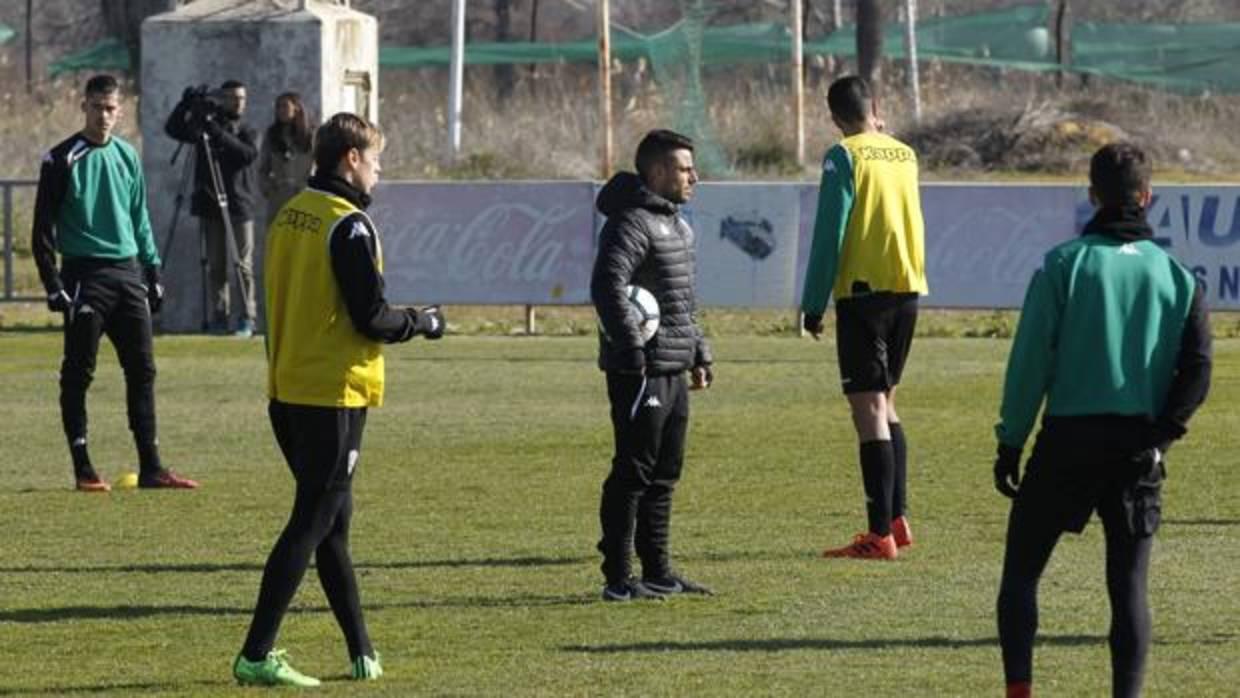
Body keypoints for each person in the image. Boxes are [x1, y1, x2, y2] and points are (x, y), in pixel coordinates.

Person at [233, 112, 445, 687]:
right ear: (350, 159)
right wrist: (423, 322)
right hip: (332, 394)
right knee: (311, 520)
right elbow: (372, 318)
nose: (378, 172)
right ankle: (256, 652)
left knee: (332, 523)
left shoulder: (289, 216)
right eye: (375, 160)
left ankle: (362, 651)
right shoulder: (348, 226)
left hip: (286, 390)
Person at [993, 142, 1211, 698]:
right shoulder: (1178, 278)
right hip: (1137, 446)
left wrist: (1011, 442)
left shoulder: (1064, 264)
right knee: (1129, 587)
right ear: (1147, 196)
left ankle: (1020, 691)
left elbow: (1030, 364)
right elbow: (1198, 370)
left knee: (1021, 575)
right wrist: (1163, 439)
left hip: (1068, 439)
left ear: (1091, 195)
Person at [31, 74, 199, 492]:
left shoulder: (127, 156)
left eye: (111, 108)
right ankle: (83, 467)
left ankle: (152, 468)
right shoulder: (61, 159)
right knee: (78, 373)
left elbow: (139, 217)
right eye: (96, 107)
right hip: (85, 276)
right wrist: (53, 284)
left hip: (128, 275)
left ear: (120, 111)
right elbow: (42, 232)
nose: (104, 115)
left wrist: (153, 270)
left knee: (142, 370)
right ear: (83, 107)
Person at [800, 75, 928, 560]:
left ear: (833, 118)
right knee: (888, 403)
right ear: (876, 106)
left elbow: (830, 230)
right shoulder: (903, 152)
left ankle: (878, 536)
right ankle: (897, 518)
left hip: (863, 293)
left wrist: (813, 303)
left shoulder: (843, 155)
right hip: (907, 289)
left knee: (867, 410)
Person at [590, 128, 715, 602]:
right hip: (640, 370)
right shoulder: (629, 224)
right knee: (634, 470)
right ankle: (619, 578)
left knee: (665, 472)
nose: (694, 178)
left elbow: (681, 302)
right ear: (659, 171)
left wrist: (698, 351)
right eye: (685, 169)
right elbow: (607, 286)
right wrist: (632, 349)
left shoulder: (679, 226)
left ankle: (658, 570)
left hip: (674, 365)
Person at [164, 79, 260, 337]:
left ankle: (247, 318)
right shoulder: (206, 126)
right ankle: (219, 316)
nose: (238, 103)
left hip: (240, 205)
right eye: (232, 98)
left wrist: (215, 131)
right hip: (210, 202)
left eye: (242, 98)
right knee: (216, 265)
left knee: (243, 265)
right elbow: (173, 129)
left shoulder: (247, 130)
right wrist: (185, 105)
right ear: (222, 99)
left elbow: (246, 154)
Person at [258, 92, 315, 228]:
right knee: (278, 239)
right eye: (278, 107)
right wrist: (268, 188)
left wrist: (307, 187)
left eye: (284, 106)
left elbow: (317, 164)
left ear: (296, 108)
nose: (280, 110)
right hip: (279, 198)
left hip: (304, 197)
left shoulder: (311, 135)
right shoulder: (272, 135)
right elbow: (263, 168)